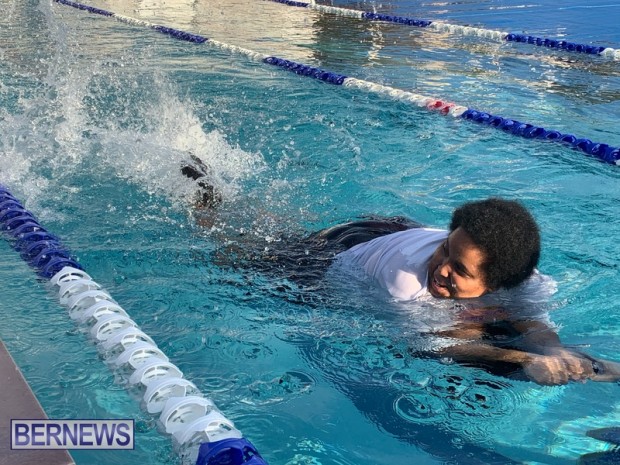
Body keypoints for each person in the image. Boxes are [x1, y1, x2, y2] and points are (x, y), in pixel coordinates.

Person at [182, 157, 620, 386]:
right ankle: (207, 198)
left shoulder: (524, 276)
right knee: (236, 249)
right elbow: (441, 344)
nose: (442, 269)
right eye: (447, 251)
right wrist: (525, 361)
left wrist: (555, 351)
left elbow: (532, 321)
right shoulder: (405, 282)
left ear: (501, 280)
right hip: (343, 249)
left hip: (393, 231)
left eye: (459, 269)